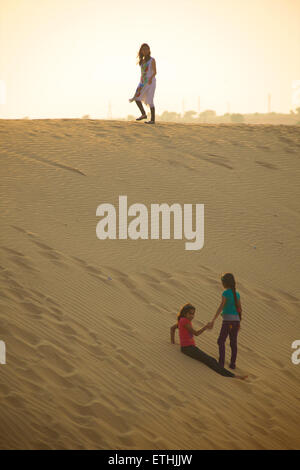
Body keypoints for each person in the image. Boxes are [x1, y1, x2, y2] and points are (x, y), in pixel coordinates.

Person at [171, 303, 247, 379]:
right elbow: (196, 333)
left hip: (188, 348)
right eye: (190, 313)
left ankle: (227, 373)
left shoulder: (182, 320)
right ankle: (233, 376)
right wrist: (206, 327)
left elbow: (172, 328)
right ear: (184, 313)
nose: (192, 316)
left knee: (211, 360)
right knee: (210, 361)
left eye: (193, 314)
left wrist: (173, 342)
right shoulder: (185, 321)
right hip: (189, 349)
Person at [210, 273, 242, 370]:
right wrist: (239, 321)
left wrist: (213, 319)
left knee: (221, 341)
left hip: (227, 321)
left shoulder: (225, 293)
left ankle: (221, 363)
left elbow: (221, 306)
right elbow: (240, 308)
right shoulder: (237, 294)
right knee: (233, 342)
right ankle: (232, 364)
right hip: (236, 321)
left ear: (225, 283)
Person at [129, 43, 156, 124]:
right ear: (141, 51)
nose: (145, 51)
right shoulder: (142, 61)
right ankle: (143, 114)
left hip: (150, 82)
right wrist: (141, 82)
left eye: (146, 49)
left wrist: (151, 78)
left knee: (150, 100)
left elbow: (155, 71)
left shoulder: (152, 60)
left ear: (149, 50)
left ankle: (152, 120)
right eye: (143, 49)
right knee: (136, 97)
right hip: (142, 82)